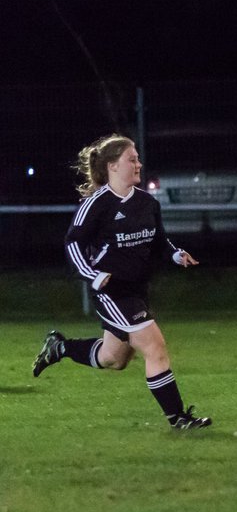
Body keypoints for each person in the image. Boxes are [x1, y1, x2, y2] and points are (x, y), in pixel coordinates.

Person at [31, 134, 211, 429]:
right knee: (155, 347)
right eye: (132, 159)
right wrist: (93, 275)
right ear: (113, 166)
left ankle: (59, 348)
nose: (138, 164)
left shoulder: (147, 202)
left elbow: (158, 240)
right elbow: (73, 244)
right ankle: (179, 418)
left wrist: (175, 254)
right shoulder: (97, 204)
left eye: (138, 158)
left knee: (113, 358)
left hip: (138, 289)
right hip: (112, 291)